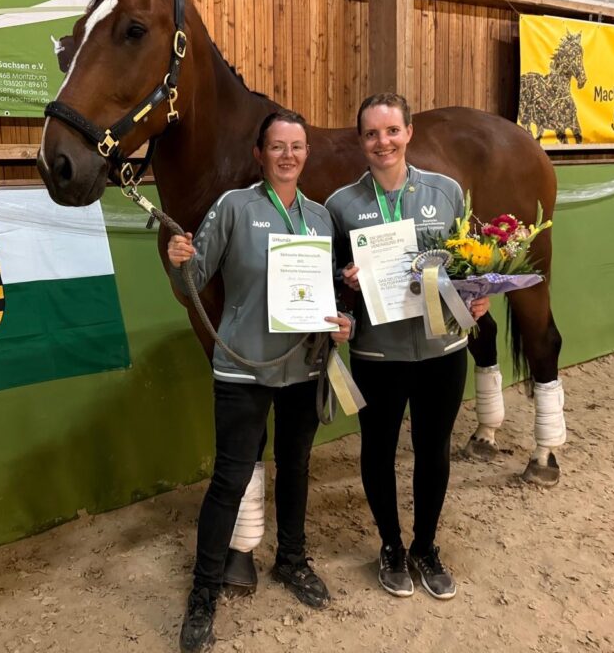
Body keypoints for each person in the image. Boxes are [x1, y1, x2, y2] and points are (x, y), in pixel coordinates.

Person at [168, 110, 354, 652]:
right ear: (260, 153)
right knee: (229, 478)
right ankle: (204, 591)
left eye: (296, 146)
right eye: (277, 146)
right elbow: (195, 280)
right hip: (242, 369)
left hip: (303, 367)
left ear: (306, 153)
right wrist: (181, 258)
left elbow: (336, 295)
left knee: (296, 468)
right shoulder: (234, 207)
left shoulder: (322, 219)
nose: (288, 155)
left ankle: (292, 561)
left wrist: (345, 322)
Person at [324, 93, 489, 601]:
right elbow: (329, 282)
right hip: (378, 354)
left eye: (392, 131)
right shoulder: (340, 206)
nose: (383, 142)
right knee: (377, 451)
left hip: (443, 350)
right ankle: (391, 546)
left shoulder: (447, 192)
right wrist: (345, 290)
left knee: (432, 451)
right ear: (361, 141)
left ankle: (425, 546)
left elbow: (467, 263)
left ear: (409, 133)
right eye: (372, 134)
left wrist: (477, 298)